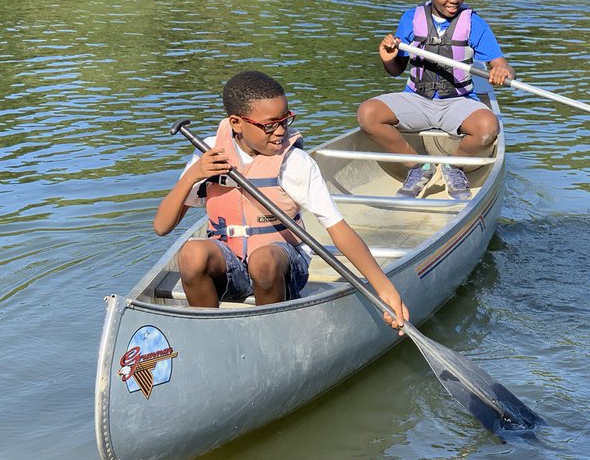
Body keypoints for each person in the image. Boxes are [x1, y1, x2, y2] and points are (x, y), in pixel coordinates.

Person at [153, 70, 408, 330]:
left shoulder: (294, 162)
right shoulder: (208, 153)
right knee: (192, 253)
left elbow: (338, 229)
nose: (280, 131)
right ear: (236, 123)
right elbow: (162, 227)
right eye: (270, 125)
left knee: (262, 260)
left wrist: (384, 288)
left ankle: (270, 331)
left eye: (285, 120)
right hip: (230, 264)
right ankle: (207, 332)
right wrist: (193, 176)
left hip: (282, 266)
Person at [357, 0, 514, 199]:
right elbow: (396, 70)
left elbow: (502, 65)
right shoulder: (411, 19)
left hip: (458, 102)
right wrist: (388, 58)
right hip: (417, 99)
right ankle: (419, 167)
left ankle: (454, 166)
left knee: (488, 127)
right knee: (368, 114)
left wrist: (502, 71)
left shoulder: (474, 23)